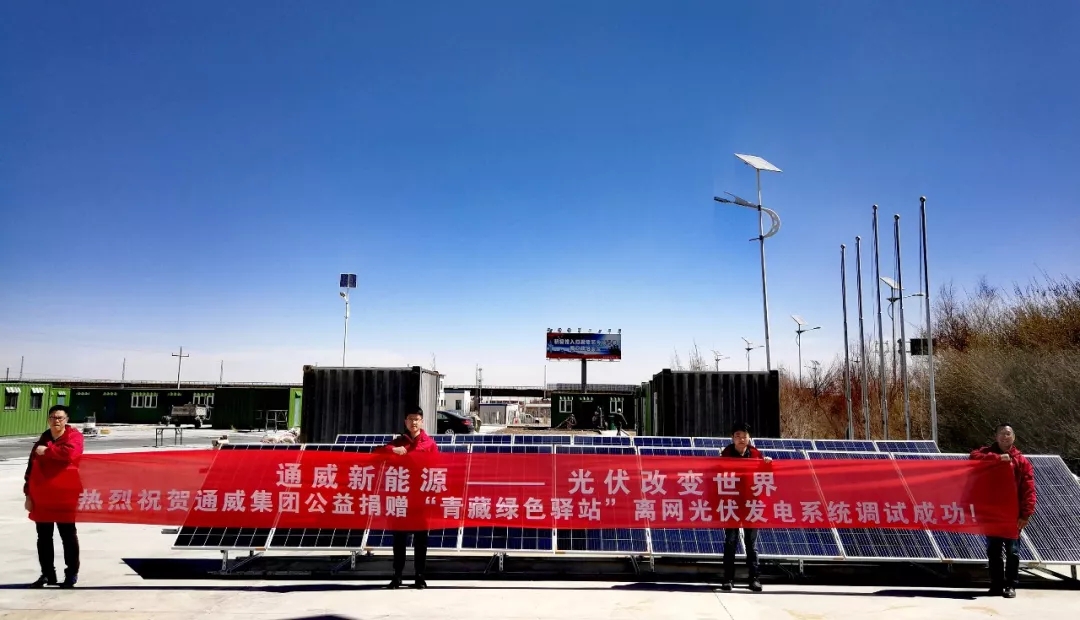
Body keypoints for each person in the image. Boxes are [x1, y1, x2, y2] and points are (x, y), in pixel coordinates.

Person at [970, 423, 1036, 599]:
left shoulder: (1021, 461)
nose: (1005, 437)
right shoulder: (985, 453)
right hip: (991, 513)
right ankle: (996, 584)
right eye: (1002, 433)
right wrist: (997, 459)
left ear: (1013, 437)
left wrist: (1026, 514)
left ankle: (1011, 584)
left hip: (1012, 515)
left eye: (1008, 434)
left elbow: (1028, 489)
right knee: (993, 550)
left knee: (1013, 551)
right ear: (996, 437)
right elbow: (973, 457)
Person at [24, 405, 84, 588]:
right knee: (43, 536)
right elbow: (31, 468)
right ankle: (47, 574)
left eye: (60, 418)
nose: (56, 421)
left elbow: (69, 454)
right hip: (43, 495)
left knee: (68, 534)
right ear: (48, 419)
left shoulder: (74, 436)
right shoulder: (42, 439)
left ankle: (71, 573)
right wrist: (28, 495)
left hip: (66, 494)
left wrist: (47, 451)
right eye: (52, 417)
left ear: (66, 420)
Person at [379, 407, 438, 589]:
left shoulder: (429, 444)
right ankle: (397, 575)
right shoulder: (398, 443)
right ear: (405, 421)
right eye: (410, 419)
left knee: (421, 540)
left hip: (420, 498)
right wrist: (392, 450)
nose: (414, 422)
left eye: (417, 419)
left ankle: (419, 576)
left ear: (422, 421)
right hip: (401, 499)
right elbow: (378, 453)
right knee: (399, 539)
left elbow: (437, 467)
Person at [719, 422, 772, 593]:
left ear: (749, 438)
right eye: (738, 436)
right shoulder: (725, 455)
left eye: (744, 436)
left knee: (751, 543)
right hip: (732, 504)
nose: (741, 439)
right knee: (730, 542)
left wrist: (768, 464)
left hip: (751, 504)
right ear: (732, 438)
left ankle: (754, 579)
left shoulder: (756, 455)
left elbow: (767, 477)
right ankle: (728, 579)